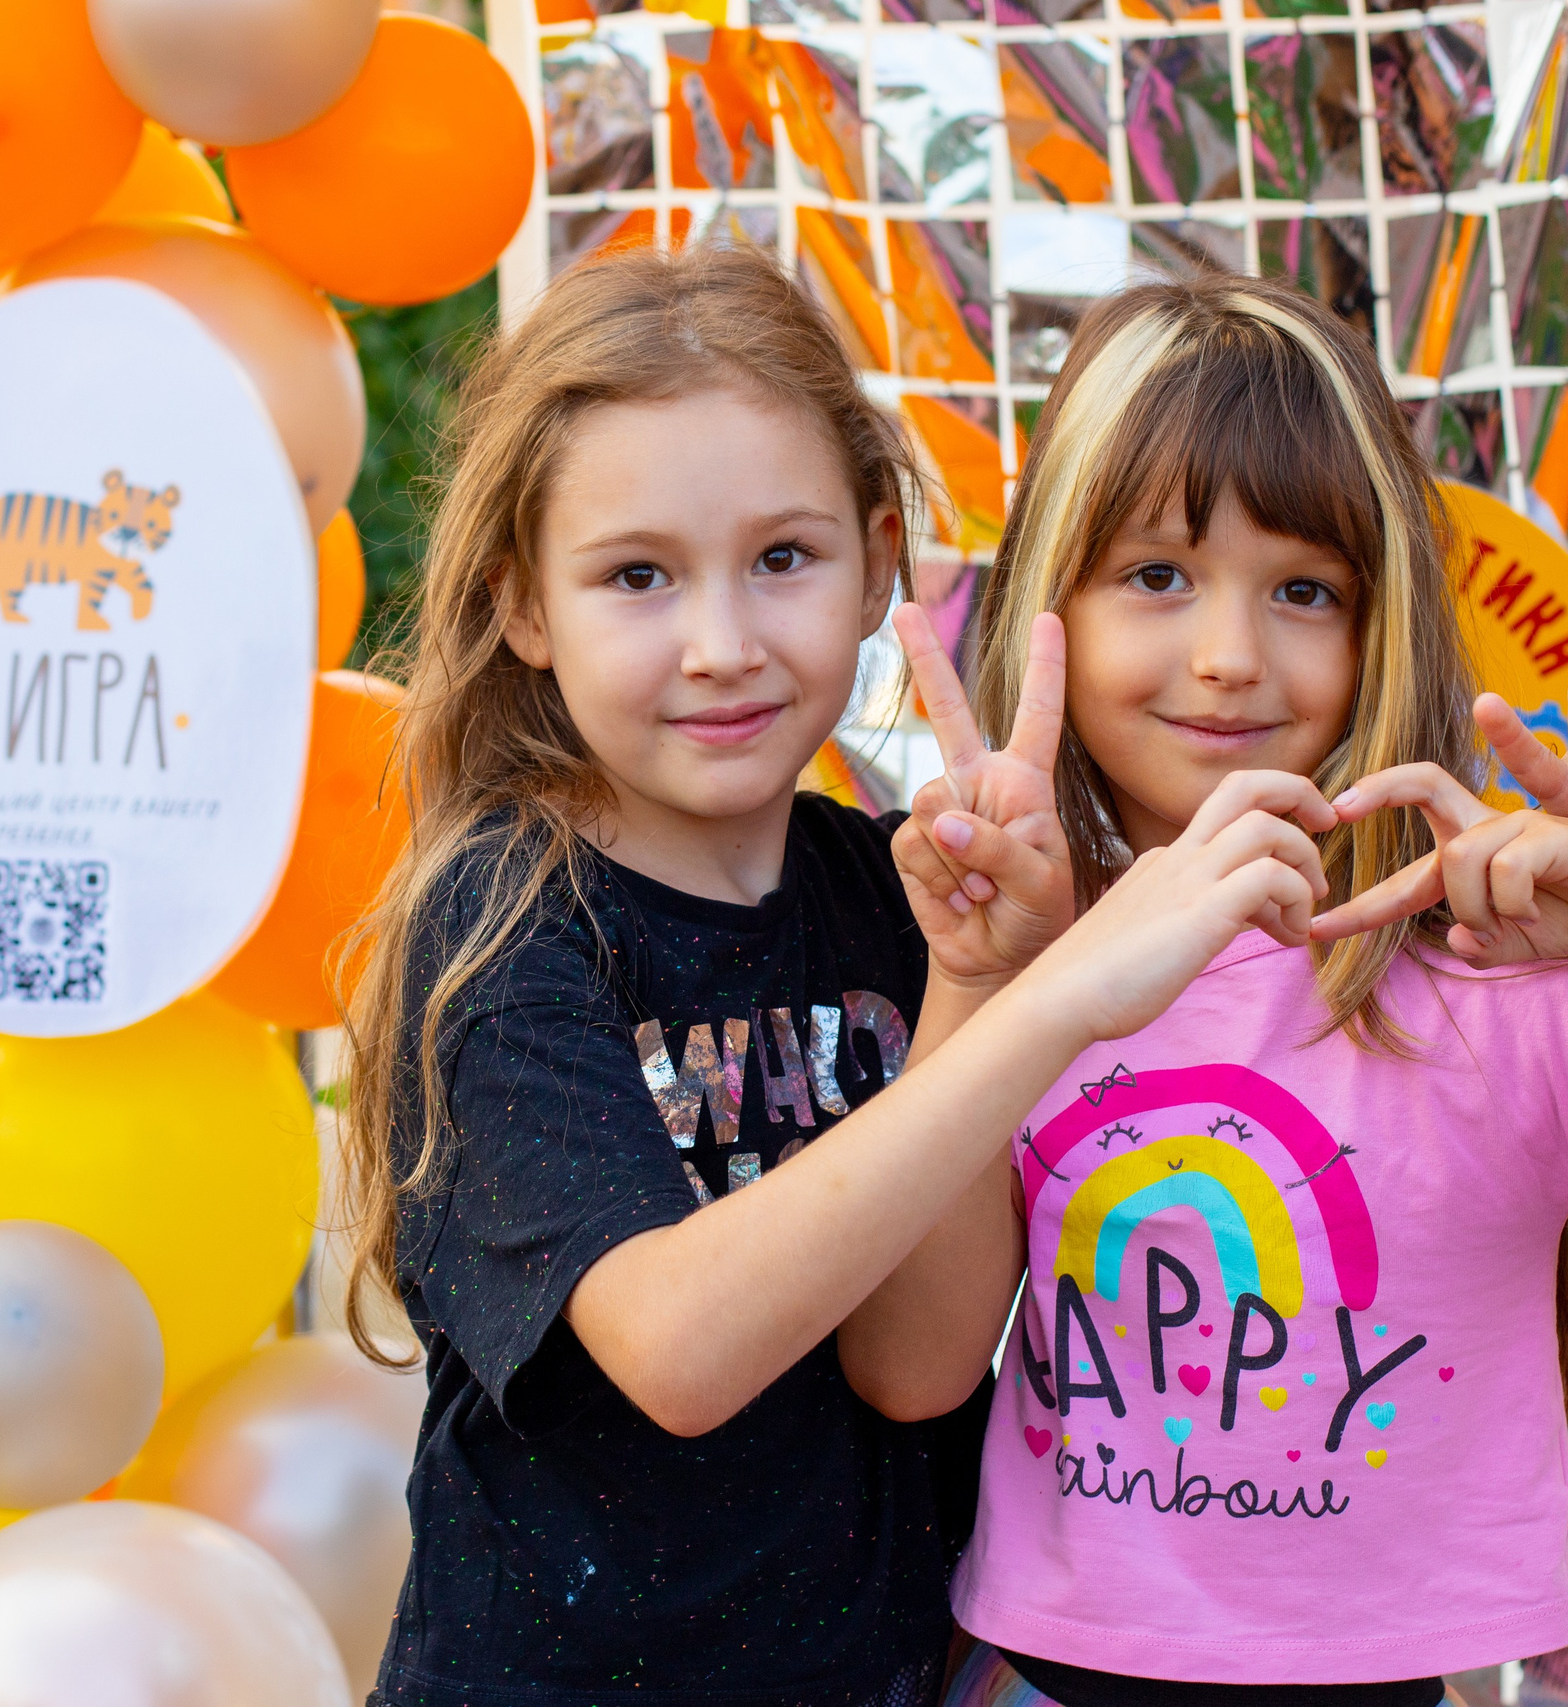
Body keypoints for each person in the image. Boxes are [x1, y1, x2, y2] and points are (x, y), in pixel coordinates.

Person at [851, 274, 1568, 1706]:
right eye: (1157, 575)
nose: (1229, 655)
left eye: (1303, 591)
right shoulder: (1030, 952)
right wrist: (988, 984)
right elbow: (912, 1371)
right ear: (1054, 605)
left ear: (1383, 619)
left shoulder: (1512, 974)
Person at [331, 246, 1365, 1707]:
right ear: (522, 607)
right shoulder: (503, 922)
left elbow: (919, 1367)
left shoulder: (897, 889)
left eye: (784, 559)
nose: (722, 643)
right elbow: (680, 1350)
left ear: (881, 563)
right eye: (637, 576)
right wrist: (1045, 1002)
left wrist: (972, 976)